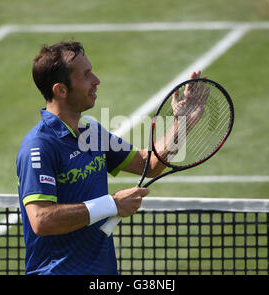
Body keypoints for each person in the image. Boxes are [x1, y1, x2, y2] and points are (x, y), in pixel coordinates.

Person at [16, 41, 204, 275]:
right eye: (86, 75)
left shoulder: (91, 132)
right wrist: (112, 204)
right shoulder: (39, 145)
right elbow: (41, 220)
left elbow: (149, 165)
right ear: (61, 90)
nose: (96, 80)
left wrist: (183, 123)